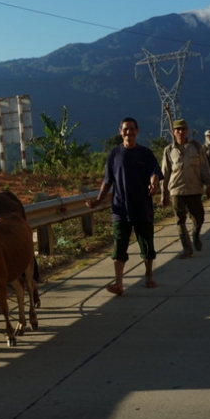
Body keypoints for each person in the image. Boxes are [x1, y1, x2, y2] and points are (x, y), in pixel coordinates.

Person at [87, 117, 163, 295]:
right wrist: (98, 200)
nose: (129, 132)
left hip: (142, 207)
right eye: (125, 129)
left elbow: (154, 173)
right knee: (119, 246)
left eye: (132, 129)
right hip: (120, 209)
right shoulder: (114, 154)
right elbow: (107, 181)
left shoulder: (146, 154)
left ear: (138, 131)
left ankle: (149, 276)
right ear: (120, 131)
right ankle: (119, 283)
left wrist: (154, 184)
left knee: (147, 245)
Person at [161, 119, 210, 259]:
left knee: (199, 217)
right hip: (176, 190)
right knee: (180, 220)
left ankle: (195, 235)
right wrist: (163, 194)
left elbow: (204, 167)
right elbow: (165, 173)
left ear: (187, 131)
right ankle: (187, 248)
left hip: (194, 188)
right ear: (173, 132)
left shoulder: (196, 147)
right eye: (177, 129)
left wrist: (209, 185)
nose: (180, 132)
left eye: (183, 129)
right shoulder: (169, 150)